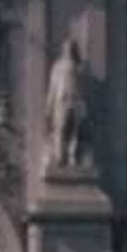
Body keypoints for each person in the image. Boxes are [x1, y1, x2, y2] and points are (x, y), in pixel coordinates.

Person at [44, 37, 89, 169]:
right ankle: (59, 156)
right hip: (61, 102)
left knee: (75, 131)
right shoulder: (57, 67)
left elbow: (83, 89)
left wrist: (83, 105)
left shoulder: (80, 68)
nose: (69, 51)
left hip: (75, 102)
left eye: (71, 48)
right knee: (61, 129)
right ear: (63, 50)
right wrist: (49, 107)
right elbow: (53, 88)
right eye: (67, 48)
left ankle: (72, 156)